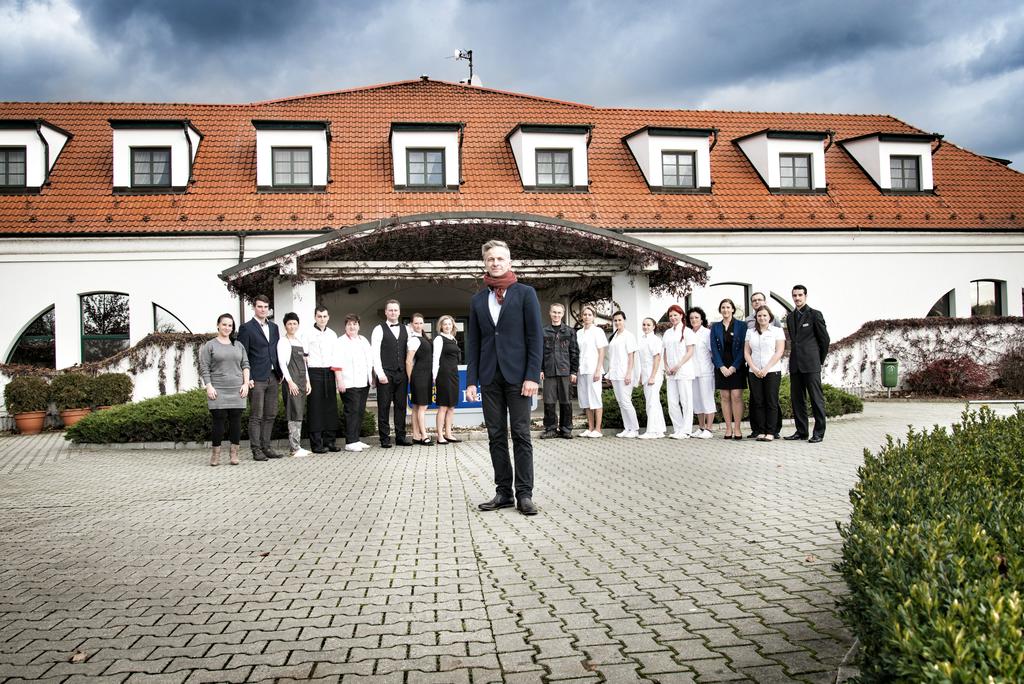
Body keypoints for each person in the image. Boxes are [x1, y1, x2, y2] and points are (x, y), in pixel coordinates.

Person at [466, 239, 543, 516]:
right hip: (489, 377)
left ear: (509, 262)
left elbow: (535, 337)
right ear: (484, 263)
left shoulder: (525, 294)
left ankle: (525, 495)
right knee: (496, 435)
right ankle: (503, 493)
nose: (495, 263)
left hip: (519, 377)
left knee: (521, 434)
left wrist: (532, 375)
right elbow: (473, 343)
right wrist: (471, 381)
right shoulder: (477, 300)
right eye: (491, 260)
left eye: (500, 259)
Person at [236, 294, 283, 460]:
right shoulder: (246, 328)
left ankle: (267, 447)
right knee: (257, 415)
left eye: (265, 307)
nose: (263, 309)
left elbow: (277, 351)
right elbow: (243, 354)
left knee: (271, 414)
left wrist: (280, 373)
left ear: (268, 309)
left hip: (273, 376)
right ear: (254, 308)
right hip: (256, 377)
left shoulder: (274, 327)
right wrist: (247, 378)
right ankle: (256, 450)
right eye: (259, 306)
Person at [200, 313, 250, 466]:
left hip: (237, 389)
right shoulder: (210, 345)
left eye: (230, 325)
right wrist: (209, 386)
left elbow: (245, 365)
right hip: (218, 389)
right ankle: (215, 455)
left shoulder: (238, 345)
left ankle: (234, 454)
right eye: (224, 324)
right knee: (218, 423)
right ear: (218, 325)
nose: (227, 327)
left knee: (236, 423)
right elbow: (204, 367)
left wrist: (246, 384)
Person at [785, 284, 830, 443]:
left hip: (811, 364)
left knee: (816, 399)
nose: (797, 298)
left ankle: (818, 433)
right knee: (797, 399)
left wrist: (819, 360)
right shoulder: (790, 317)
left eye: (800, 295)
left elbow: (824, 340)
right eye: (794, 295)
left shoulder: (815, 315)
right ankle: (801, 431)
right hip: (796, 364)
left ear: (805, 296)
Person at [371, 299, 412, 448]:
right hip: (385, 373)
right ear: (386, 312)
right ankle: (385, 439)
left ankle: (401, 437)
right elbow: (374, 353)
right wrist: (380, 373)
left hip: (401, 374)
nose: (393, 312)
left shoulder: (406, 329)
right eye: (390, 310)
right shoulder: (378, 329)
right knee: (384, 407)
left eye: (395, 310)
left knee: (401, 406)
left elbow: (409, 351)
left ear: (399, 312)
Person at [333, 313, 374, 452]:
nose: (352, 326)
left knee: (360, 411)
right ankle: (350, 441)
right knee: (351, 411)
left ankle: (356, 439)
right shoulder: (340, 341)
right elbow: (336, 362)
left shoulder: (363, 340)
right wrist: (340, 381)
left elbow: (370, 360)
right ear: (345, 326)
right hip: (348, 382)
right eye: (349, 324)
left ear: (359, 326)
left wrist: (371, 377)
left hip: (363, 382)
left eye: (355, 324)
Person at [745, 306, 786, 442]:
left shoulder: (777, 331)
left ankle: (770, 431)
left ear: (770, 317)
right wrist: (755, 368)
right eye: (759, 316)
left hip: (772, 371)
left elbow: (779, 352)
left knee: (771, 401)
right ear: (756, 317)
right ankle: (761, 431)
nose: (762, 318)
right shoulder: (750, 332)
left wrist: (766, 368)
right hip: (754, 371)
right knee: (758, 402)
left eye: (764, 315)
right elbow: (747, 352)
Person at [539, 303, 579, 440]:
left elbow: (574, 352)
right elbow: (539, 353)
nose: (556, 315)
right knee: (549, 402)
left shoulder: (569, 331)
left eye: (559, 313)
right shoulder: (543, 331)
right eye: (554, 312)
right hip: (549, 371)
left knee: (566, 401)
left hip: (565, 371)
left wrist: (574, 371)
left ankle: (566, 429)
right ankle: (550, 429)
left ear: (562, 314)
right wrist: (540, 369)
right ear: (550, 313)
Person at [711, 298, 747, 440]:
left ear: (733, 309)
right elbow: (713, 348)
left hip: (736, 365)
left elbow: (744, 347)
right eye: (723, 307)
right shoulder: (715, 326)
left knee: (736, 396)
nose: (725, 310)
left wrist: (733, 367)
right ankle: (728, 428)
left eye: (728, 307)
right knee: (724, 397)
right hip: (721, 366)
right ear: (720, 310)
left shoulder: (742, 326)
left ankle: (737, 428)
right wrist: (721, 366)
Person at [306, 306, 340, 454]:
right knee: (315, 409)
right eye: (319, 316)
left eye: (325, 316)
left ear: (328, 317)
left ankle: (330, 442)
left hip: (329, 372)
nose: (322, 319)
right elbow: (304, 358)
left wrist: (338, 378)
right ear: (315, 317)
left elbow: (336, 356)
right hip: (314, 372)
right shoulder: (307, 334)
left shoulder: (332, 334)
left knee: (330, 407)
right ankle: (316, 444)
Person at [278, 312, 312, 458]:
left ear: (298, 325)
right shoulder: (283, 342)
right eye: (289, 323)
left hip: (301, 381)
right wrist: (290, 382)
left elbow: (305, 364)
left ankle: (297, 446)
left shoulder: (300, 341)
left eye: (294, 323)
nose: (292, 326)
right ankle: (294, 448)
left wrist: (308, 381)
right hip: (291, 382)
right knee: (293, 413)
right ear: (285, 325)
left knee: (299, 413)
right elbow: (282, 364)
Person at [662, 304, 696, 439]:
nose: (673, 317)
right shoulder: (667, 333)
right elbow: (664, 352)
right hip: (670, 372)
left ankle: (686, 430)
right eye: (670, 315)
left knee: (686, 401)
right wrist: (666, 366)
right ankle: (678, 428)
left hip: (683, 371)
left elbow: (690, 352)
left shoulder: (688, 332)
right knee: (672, 402)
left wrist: (678, 366)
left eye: (675, 315)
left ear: (681, 315)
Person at [575, 305, 608, 439]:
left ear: (593, 317)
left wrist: (598, 370)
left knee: (595, 398)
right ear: (581, 316)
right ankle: (590, 428)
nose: (587, 317)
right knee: (585, 399)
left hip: (594, 369)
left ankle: (598, 429)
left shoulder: (598, 331)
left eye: (589, 314)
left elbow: (601, 351)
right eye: (585, 314)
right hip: (581, 370)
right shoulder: (579, 333)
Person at [607, 311, 640, 438]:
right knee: (620, 402)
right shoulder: (614, 336)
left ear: (624, 320)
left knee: (626, 401)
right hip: (615, 374)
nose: (617, 322)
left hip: (625, 373)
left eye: (619, 320)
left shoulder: (629, 336)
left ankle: (635, 429)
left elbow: (631, 356)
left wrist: (628, 374)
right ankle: (627, 428)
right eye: (615, 320)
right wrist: (609, 374)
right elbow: (612, 357)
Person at [432, 314, 462, 445]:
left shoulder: (453, 339)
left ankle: (448, 434)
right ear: (441, 326)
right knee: (443, 406)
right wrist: (434, 376)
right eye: (445, 324)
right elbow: (435, 358)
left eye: (449, 324)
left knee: (451, 407)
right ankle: (440, 436)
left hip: (454, 374)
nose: (447, 326)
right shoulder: (439, 339)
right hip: (443, 374)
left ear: (453, 326)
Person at [406, 313, 434, 446]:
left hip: (426, 375)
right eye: (416, 323)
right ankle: (424, 435)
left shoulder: (423, 338)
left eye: (420, 323)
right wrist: (410, 378)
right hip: (419, 376)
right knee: (422, 407)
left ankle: (416, 435)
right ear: (411, 324)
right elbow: (408, 361)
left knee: (417, 407)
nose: (418, 325)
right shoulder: (413, 339)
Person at [688, 307, 715, 439]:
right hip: (692, 372)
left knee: (707, 399)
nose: (694, 320)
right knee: (697, 400)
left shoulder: (707, 333)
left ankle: (709, 429)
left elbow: (712, 352)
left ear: (702, 319)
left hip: (706, 371)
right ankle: (701, 427)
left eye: (696, 317)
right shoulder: (688, 333)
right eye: (692, 318)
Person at [637, 317, 665, 439]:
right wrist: (641, 375)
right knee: (654, 403)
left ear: (654, 326)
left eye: (648, 325)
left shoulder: (655, 340)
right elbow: (642, 360)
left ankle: (651, 431)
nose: (646, 327)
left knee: (651, 403)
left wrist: (653, 376)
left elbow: (657, 358)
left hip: (654, 375)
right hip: (646, 374)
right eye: (644, 324)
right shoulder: (642, 339)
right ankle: (660, 430)